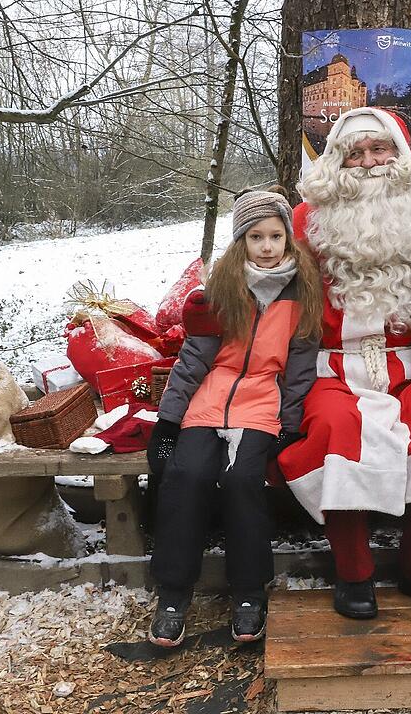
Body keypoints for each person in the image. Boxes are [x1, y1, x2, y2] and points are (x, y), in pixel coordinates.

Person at [276, 107, 411, 623]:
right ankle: (353, 572)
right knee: (335, 426)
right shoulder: (305, 223)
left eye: (379, 150)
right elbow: (259, 276)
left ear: (399, 157)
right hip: (333, 370)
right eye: (355, 153)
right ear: (336, 163)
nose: (368, 162)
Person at [145, 189, 322, 647]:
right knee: (186, 475)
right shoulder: (218, 292)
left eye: (276, 236)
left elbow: (300, 372)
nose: (267, 246)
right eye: (255, 236)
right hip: (210, 397)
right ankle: (172, 592)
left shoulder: (302, 293)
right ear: (241, 240)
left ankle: (247, 593)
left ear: (288, 239)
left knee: (244, 480)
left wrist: (288, 425)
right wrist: (167, 423)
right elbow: (192, 361)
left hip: (262, 401)